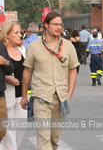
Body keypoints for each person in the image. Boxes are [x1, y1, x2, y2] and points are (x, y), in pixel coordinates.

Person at [20, 11, 79, 150]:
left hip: (61, 98)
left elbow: (73, 69)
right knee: (43, 138)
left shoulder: (68, 46)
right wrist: (24, 96)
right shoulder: (34, 47)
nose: (59, 27)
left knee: (54, 139)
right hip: (41, 97)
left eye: (60, 24)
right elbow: (27, 71)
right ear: (46, 25)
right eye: (55, 24)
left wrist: (69, 93)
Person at [0, 19, 25, 149]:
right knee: (8, 132)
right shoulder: (2, 50)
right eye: (16, 33)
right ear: (7, 34)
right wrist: (7, 79)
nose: (20, 35)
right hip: (7, 95)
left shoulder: (23, 49)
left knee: (21, 127)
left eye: (19, 32)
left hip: (22, 96)